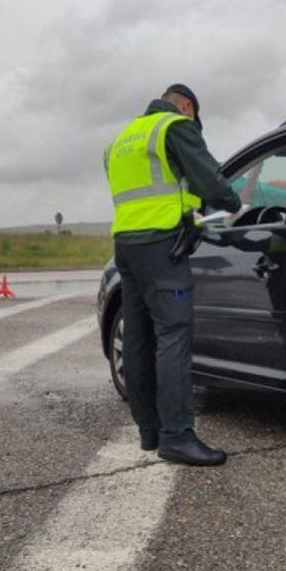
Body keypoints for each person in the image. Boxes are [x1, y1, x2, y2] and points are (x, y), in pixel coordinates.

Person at [105, 83, 241, 466]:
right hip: (163, 249)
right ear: (186, 106)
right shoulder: (173, 127)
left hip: (127, 249)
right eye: (194, 116)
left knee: (139, 337)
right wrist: (233, 205)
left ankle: (149, 431)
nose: (194, 123)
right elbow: (209, 179)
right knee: (174, 336)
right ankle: (177, 435)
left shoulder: (120, 140)